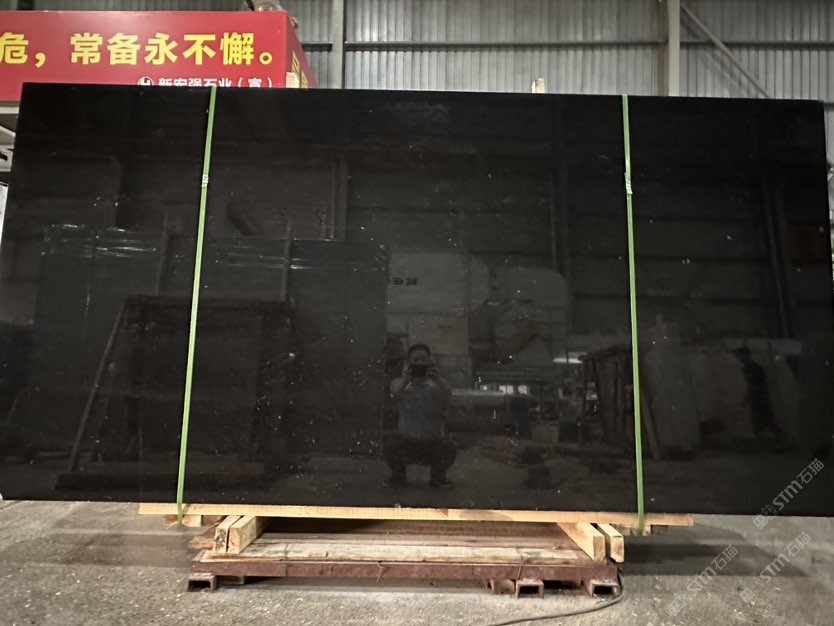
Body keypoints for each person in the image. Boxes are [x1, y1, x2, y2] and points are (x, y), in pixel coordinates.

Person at [383, 343, 456, 487]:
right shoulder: (401, 384)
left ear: (430, 363)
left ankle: (438, 477)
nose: (419, 364)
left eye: (423, 360)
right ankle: (398, 476)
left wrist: (437, 377)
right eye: (415, 360)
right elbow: (395, 392)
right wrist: (406, 377)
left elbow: (448, 392)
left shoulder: (437, 386)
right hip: (407, 442)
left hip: (432, 443)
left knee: (449, 447)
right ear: (408, 363)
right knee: (391, 444)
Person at [735, 346, 781, 442]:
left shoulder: (754, 368)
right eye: (738, 356)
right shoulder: (747, 368)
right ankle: (763, 439)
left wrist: (750, 395)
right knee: (760, 419)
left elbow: (760, 383)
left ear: (746, 355)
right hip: (756, 397)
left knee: (765, 418)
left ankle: (775, 438)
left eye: (740, 356)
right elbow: (750, 384)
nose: (739, 359)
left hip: (760, 396)